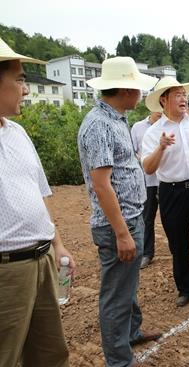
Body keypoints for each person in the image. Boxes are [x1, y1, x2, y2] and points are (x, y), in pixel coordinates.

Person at [78, 56, 161, 367]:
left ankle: (132, 332)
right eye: (137, 87)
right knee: (116, 296)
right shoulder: (100, 125)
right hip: (118, 225)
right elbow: (102, 185)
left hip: (129, 218)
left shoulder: (115, 119)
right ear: (126, 90)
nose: (140, 94)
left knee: (127, 286)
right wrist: (123, 233)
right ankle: (119, 361)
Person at [0, 36, 75, 367]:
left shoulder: (18, 133)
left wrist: (57, 245)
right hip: (6, 272)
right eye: (19, 79)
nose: (26, 90)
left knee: (50, 354)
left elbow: (38, 194)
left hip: (42, 262)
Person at [142, 76, 189, 307]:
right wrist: (161, 147)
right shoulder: (154, 132)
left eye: (184, 94)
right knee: (178, 242)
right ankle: (185, 288)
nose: (183, 98)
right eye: (177, 95)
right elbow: (148, 167)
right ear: (163, 100)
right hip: (171, 192)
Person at [131, 112, 162, 269]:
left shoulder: (170, 125)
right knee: (147, 218)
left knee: (172, 217)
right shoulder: (138, 127)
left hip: (168, 181)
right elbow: (132, 151)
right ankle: (147, 253)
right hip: (147, 181)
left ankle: (177, 250)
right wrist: (142, 160)